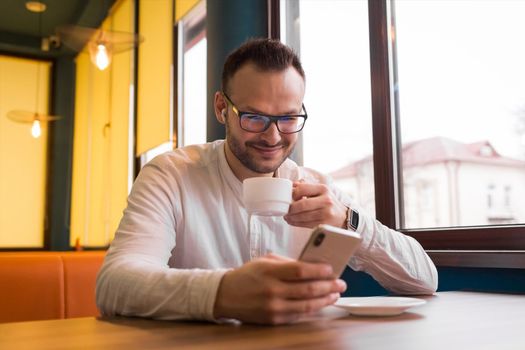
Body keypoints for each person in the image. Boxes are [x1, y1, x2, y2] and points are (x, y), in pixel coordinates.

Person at [96, 38, 437, 325]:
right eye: (254, 117)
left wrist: (348, 221)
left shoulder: (318, 187)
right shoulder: (172, 175)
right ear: (221, 108)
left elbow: (424, 280)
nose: (273, 137)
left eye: (288, 118)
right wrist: (223, 292)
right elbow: (115, 283)